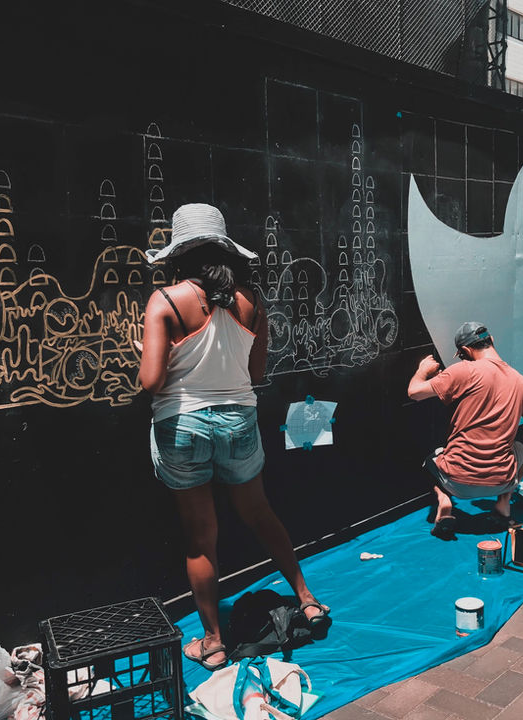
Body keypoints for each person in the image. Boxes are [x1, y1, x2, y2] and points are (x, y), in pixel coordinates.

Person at [139, 203, 327, 671]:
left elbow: (151, 382)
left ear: (179, 254)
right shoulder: (252, 301)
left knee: (201, 538)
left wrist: (150, 352)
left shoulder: (165, 301)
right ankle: (307, 599)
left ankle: (213, 642)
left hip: (182, 424)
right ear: (226, 251)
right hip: (238, 420)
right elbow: (256, 373)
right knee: (260, 513)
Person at [407, 322, 523, 538]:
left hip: (457, 481)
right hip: (501, 481)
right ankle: (503, 506)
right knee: (521, 450)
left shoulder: (463, 370)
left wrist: (423, 370)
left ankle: (444, 502)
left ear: (466, 351)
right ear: (492, 340)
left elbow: (414, 392)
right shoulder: (520, 380)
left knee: (430, 459)